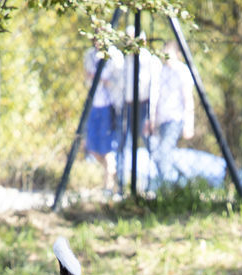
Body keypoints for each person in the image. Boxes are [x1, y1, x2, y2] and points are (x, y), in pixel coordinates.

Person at [147, 40, 195, 190]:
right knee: (159, 153)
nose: (166, 55)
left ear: (177, 54)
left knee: (164, 151)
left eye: (169, 52)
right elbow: (156, 97)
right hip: (161, 119)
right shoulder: (161, 71)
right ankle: (182, 179)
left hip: (175, 118)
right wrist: (152, 120)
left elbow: (188, 98)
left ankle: (169, 187)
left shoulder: (182, 71)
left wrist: (189, 122)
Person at [117, 30, 159, 192]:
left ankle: (154, 184)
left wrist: (152, 115)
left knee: (150, 144)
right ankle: (121, 185)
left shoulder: (150, 61)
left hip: (144, 106)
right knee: (121, 144)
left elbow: (154, 89)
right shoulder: (124, 61)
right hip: (126, 106)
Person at [83, 44, 122, 195]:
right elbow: (88, 77)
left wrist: (101, 78)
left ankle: (109, 185)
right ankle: (110, 175)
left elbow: (116, 80)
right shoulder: (89, 54)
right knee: (92, 148)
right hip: (93, 104)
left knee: (107, 149)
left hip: (109, 105)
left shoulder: (114, 55)